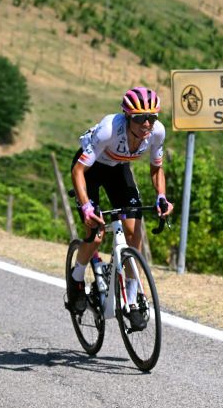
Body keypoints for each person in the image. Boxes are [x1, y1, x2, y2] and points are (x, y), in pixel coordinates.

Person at [65, 87, 173, 331]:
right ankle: (77, 279)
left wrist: (161, 197)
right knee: (96, 235)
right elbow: (78, 171)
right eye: (139, 118)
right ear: (127, 117)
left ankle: (132, 301)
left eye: (152, 117)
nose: (147, 123)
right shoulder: (108, 130)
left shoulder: (157, 132)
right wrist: (86, 206)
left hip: (118, 169)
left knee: (135, 233)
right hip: (90, 170)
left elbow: (156, 169)